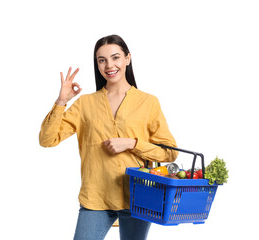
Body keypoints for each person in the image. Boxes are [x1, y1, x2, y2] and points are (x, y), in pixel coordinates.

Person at [39, 34, 178, 240]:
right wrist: (61, 101)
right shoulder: (85, 104)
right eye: (101, 60)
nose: (109, 65)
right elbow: (47, 140)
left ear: (127, 59)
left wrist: (132, 144)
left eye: (115, 58)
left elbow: (170, 152)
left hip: (139, 197)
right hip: (96, 198)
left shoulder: (148, 103)